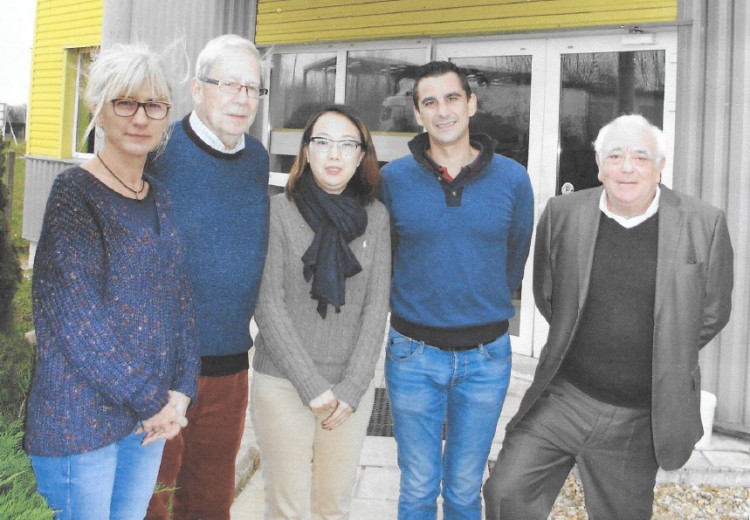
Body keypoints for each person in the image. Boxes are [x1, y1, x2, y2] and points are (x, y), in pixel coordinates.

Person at [483, 114, 734, 519]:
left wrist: (660, 350)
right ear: (599, 165)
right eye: (614, 156)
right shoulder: (563, 213)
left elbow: (712, 312)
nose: (627, 168)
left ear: (660, 166)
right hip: (565, 397)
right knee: (505, 492)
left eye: (640, 156)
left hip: (639, 414)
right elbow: (549, 296)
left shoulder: (703, 223)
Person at [24, 43, 199, 520]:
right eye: (125, 102)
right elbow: (78, 323)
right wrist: (154, 401)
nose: (140, 118)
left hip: (145, 423)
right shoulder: (73, 196)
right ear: (97, 108)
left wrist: (182, 387)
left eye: (154, 105)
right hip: (80, 425)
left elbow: (179, 302)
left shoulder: (159, 197)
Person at [380, 61, 534, 520]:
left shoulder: (512, 179)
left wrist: (477, 303)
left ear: (471, 103)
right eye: (430, 102)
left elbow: (515, 260)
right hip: (412, 356)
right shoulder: (393, 180)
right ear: (417, 114)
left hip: (487, 360)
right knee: (418, 488)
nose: (442, 110)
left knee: (466, 490)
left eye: (452, 98)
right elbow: (385, 261)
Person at [145, 34, 270, 520]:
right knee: (154, 501)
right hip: (162, 365)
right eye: (230, 85)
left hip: (229, 365)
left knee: (211, 500)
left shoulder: (257, 159)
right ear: (197, 89)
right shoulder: (161, 148)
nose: (242, 99)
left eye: (253, 89)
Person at [251, 105, 391, 519]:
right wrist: (311, 385)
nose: (334, 155)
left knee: (334, 507)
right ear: (306, 152)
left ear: (362, 155)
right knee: (286, 506)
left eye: (347, 145)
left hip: (349, 391)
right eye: (323, 143)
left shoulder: (377, 218)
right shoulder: (278, 211)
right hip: (282, 383)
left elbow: (375, 306)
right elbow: (268, 304)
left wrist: (353, 386)